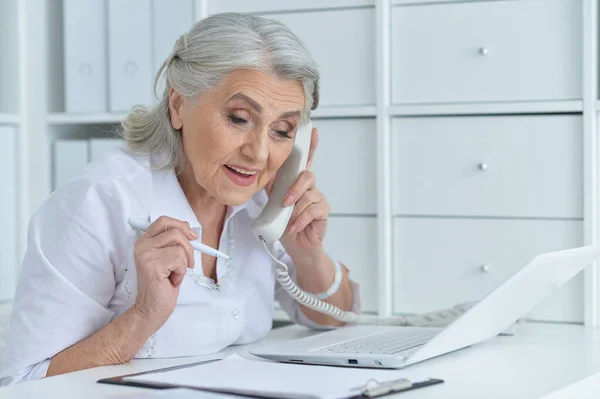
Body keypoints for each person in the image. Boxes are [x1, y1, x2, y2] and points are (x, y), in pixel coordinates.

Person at [0, 13, 360, 385]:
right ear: (178, 106)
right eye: (239, 118)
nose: (259, 153)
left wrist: (306, 252)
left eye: (282, 131)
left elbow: (335, 317)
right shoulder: (97, 203)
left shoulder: (262, 201)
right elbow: (24, 383)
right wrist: (142, 315)